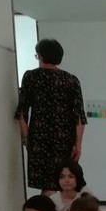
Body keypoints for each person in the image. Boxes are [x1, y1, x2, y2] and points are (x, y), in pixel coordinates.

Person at [15, 38, 86, 192]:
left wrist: (27, 138)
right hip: (64, 139)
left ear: (41, 56)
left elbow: (21, 112)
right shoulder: (71, 80)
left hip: (39, 138)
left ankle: (46, 208)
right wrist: (78, 145)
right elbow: (80, 117)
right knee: (61, 182)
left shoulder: (31, 77)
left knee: (47, 185)